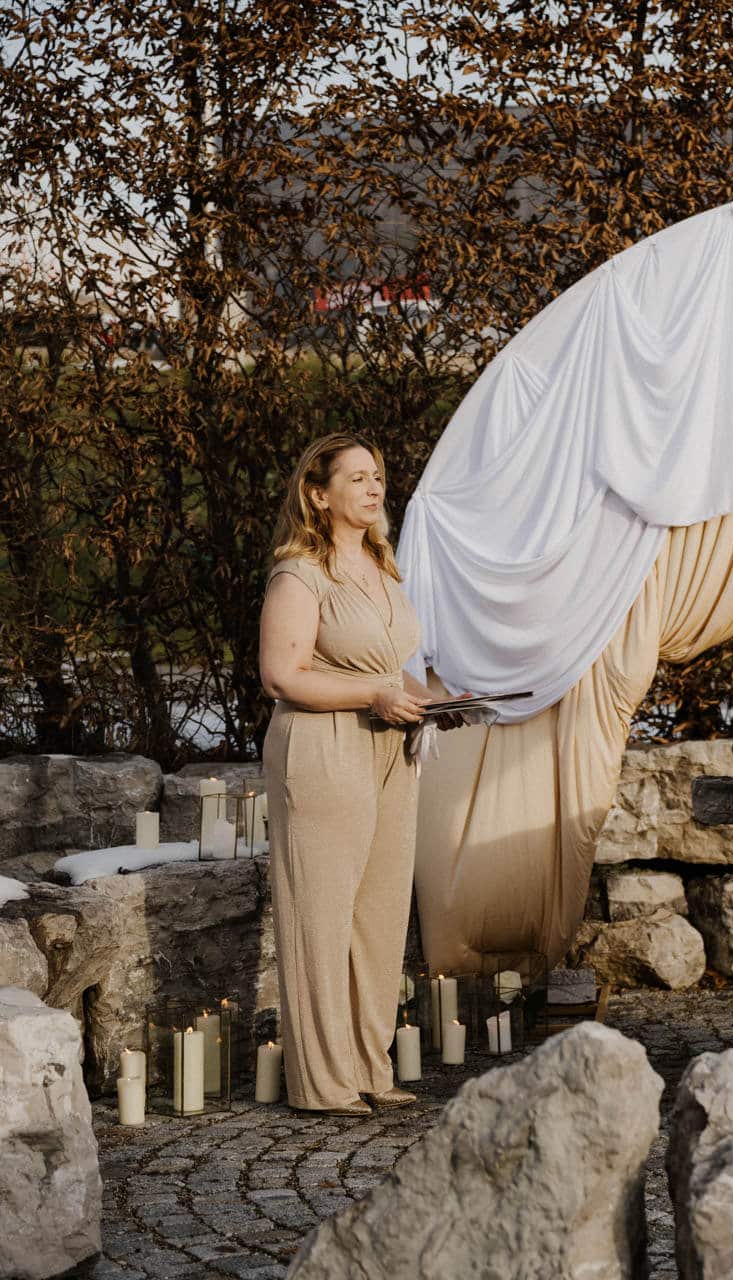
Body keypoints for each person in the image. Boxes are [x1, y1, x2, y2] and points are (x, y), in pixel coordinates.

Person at [258, 432, 428, 1116]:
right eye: (355, 478)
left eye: (377, 475)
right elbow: (281, 675)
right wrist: (375, 697)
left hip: (390, 747)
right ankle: (322, 1082)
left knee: (380, 916)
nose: (372, 486)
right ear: (319, 495)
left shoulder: (383, 568)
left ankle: (368, 1066)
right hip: (323, 746)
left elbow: (388, 665)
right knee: (321, 915)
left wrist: (435, 700)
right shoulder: (300, 574)